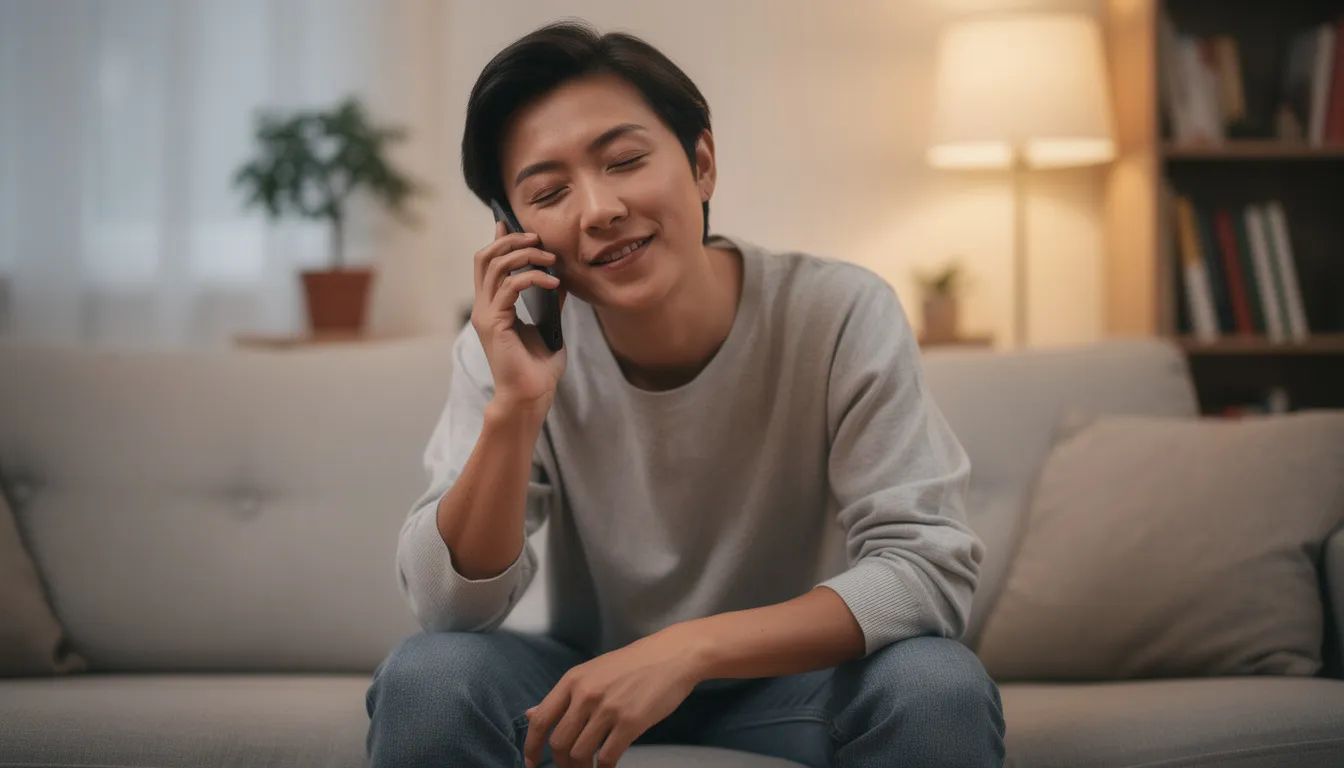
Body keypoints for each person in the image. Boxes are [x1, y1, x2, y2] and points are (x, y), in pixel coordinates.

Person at [366, 19, 1004, 768]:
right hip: (584, 686)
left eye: (626, 160)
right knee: (430, 679)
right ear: (513, 231)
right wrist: (515, 410)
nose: (599, 209)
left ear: (701, 163)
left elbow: (927, 570)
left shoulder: (839, 312)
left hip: (792, 684)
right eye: (549, 192)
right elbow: (448, 610)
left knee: (937, 687)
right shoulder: (507, 352)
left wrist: (686, 651)